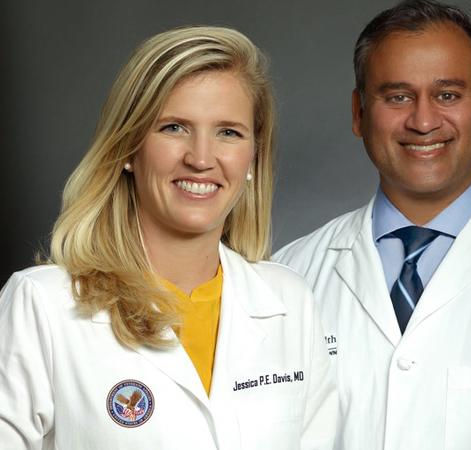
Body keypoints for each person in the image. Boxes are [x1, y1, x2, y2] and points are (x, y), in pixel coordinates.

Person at [0, 26, 336, 450]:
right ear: (127, 148)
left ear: (254, 155)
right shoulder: (43, 305)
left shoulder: (289, 300)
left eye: (228, 132)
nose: (200, 158)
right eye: (174, 127)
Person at [272, 1, 471, 449]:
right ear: (358, 113)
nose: (424, 121)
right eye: (397, 97)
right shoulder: (288, 276)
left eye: (447, 94)